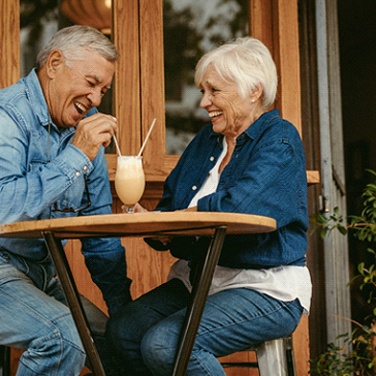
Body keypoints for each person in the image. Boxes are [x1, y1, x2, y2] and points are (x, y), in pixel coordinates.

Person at [106, 36, 312, 375]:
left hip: (264, 286)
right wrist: (157, 226)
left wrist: (174, 220)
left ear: (253, 90)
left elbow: (238, 207)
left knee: (165, 344)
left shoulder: (280, 138)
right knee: (124, 332)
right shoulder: (206, 141)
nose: (203, 102)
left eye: (214, 91)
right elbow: (173, 205)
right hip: (199, 280)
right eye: (203, 91)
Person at [0, 25, 132, 375]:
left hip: (40, 275)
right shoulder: (7, 116)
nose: (97, 99)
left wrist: (123, 313)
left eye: (104, 90)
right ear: (55, 63)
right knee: (63, 337)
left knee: (124, 346)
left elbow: (99, 231)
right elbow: (2, 208)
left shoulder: (84, 129)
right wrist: (76, 156)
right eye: (91, 83)